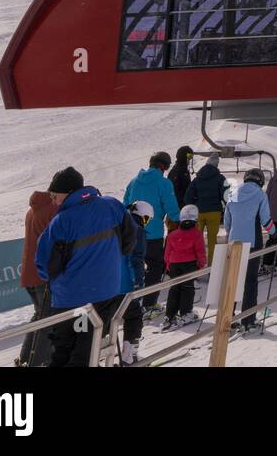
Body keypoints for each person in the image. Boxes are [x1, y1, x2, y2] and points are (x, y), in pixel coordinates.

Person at [35, 167, 138, 366]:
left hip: (74, 301)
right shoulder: (112, 206)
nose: (53, 200)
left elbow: (46, 265)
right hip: (106, 293)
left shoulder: (61, 222)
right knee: (88, 346)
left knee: (67, 350)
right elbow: (129, 240)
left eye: (55, 195)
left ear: (69, 192)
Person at [123, 152, 181, 313]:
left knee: (134, 265)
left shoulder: (134, 181)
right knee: (155, 266)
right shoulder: (164, 183)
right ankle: (149, 304)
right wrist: (179, 220)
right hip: (152, 233)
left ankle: (130, 303)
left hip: (132, 231)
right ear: (164, 166)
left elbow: (125, 203)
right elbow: (171, 206)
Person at [224, 168, 275, 331]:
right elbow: (266, 220)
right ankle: (248, 320)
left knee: (233, 281)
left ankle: (228, 318)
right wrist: (275, 233)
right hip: (253, 242)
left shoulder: (232, 195)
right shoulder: (260, 194)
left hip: (234, 242)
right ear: (260, 181)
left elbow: (227, 222)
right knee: (250, 281)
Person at [16, 184, 60, 366]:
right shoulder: (53, 209)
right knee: (47, 320)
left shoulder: (32, 209)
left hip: (29, 273)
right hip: (43, 274)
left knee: (40, 316)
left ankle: (26, 358)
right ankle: (37, 362)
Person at [162, 205, 207, 328]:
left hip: (174, 264)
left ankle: (169, 315)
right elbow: (200, 251)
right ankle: (185, 312)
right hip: (189, 264)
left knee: (175, 288)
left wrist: (167, 264)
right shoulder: (196, 234)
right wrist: (201, 264)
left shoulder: (172, 235)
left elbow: (167, 252)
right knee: (187, 288)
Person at [118, 201, 151, 364]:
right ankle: (129, 354)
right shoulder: (137, 231)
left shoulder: (119, 222)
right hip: (126, 282)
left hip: (109, 281)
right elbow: (136, 259)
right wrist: (138, 282)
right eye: (147, 219)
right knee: (134, 316)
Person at [186, 151, 228, 264]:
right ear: (216, 165)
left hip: (199, 212)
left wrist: (193, 207)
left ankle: (196, 266)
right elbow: (227, 196)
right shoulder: (220, 178)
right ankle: (211, 267)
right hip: (214, 212)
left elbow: (188, 196)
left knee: (197, 240)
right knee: (212, 241)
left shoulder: (197, 178)